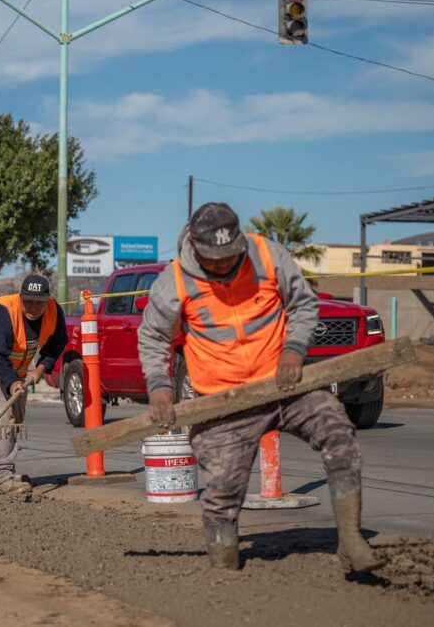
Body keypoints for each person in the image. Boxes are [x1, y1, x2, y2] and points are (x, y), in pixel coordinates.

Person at [137, 202, 383, 573]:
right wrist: (159, 387)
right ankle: (224, 566)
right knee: (221, 492)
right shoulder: (175, 279)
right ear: (195, 246)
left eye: (229, 256)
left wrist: (294, 351)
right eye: (213, 259)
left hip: (282, 385)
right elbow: (153, 336)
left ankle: (351, 542)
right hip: (222, 401)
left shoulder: (268, 255)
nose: (223, 265)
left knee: (338, 433)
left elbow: (303, 304)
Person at [0, 274, 67, 494]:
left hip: (18, 366)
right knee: (5, 415)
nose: (33, 307)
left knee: (16, 417)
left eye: (39, 302)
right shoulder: (4, 312)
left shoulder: (54, 311)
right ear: (20, 297)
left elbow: (58, 342)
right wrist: (12, 383)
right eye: (28, 301)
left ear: (47, 300)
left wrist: (42, 368)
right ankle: (3, 477)